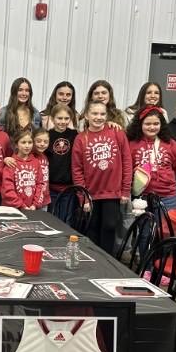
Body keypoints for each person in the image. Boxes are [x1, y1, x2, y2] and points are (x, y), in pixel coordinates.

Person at [72, 101, 132, 255]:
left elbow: (127, 161)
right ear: (86, 115)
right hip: (91, 194)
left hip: (112, 192)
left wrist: (125, 190)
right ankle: (93, 261)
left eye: (102, 114)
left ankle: (107, 261)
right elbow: (77, 170)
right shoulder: (80, 139)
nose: (98, 117)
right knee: (92, 228)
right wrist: (83, 197)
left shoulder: (117, 133)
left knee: (110, 227)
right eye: (94, 113)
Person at [126, 106, 176, 211]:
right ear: (140, 125)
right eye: (147, 124)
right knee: (144, 227)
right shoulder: (131, 145)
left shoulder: (171, 144)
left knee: (166, 227)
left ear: (161, 125)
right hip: (141, 197)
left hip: (168, 197)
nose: (152, 127)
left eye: (156, 124)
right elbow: (127, 169)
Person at [45, 104, 78, 220]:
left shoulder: (74, 135)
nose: (63, 121)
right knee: (52, 218)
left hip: (68, 187)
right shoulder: (47, 135)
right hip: (51, 186)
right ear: (52, 118)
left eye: (66, 118)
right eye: (59, 118)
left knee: (66, 218)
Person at [2, 130, 43, 210]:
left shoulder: (36, 162)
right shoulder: (11, 162)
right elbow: (7, 189)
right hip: (13, 209)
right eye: (23, 142)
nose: (27, 146)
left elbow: (40, 184)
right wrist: (21, 205)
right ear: (16, 145)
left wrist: (35, 204)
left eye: (30, 142)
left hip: (32, 208)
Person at [32, 128, 51, 211]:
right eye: (38, 141)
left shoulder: (44, 157)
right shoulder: (30, 157)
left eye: (45, 142)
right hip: (32, 201)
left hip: (44, 199)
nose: (42, 144)